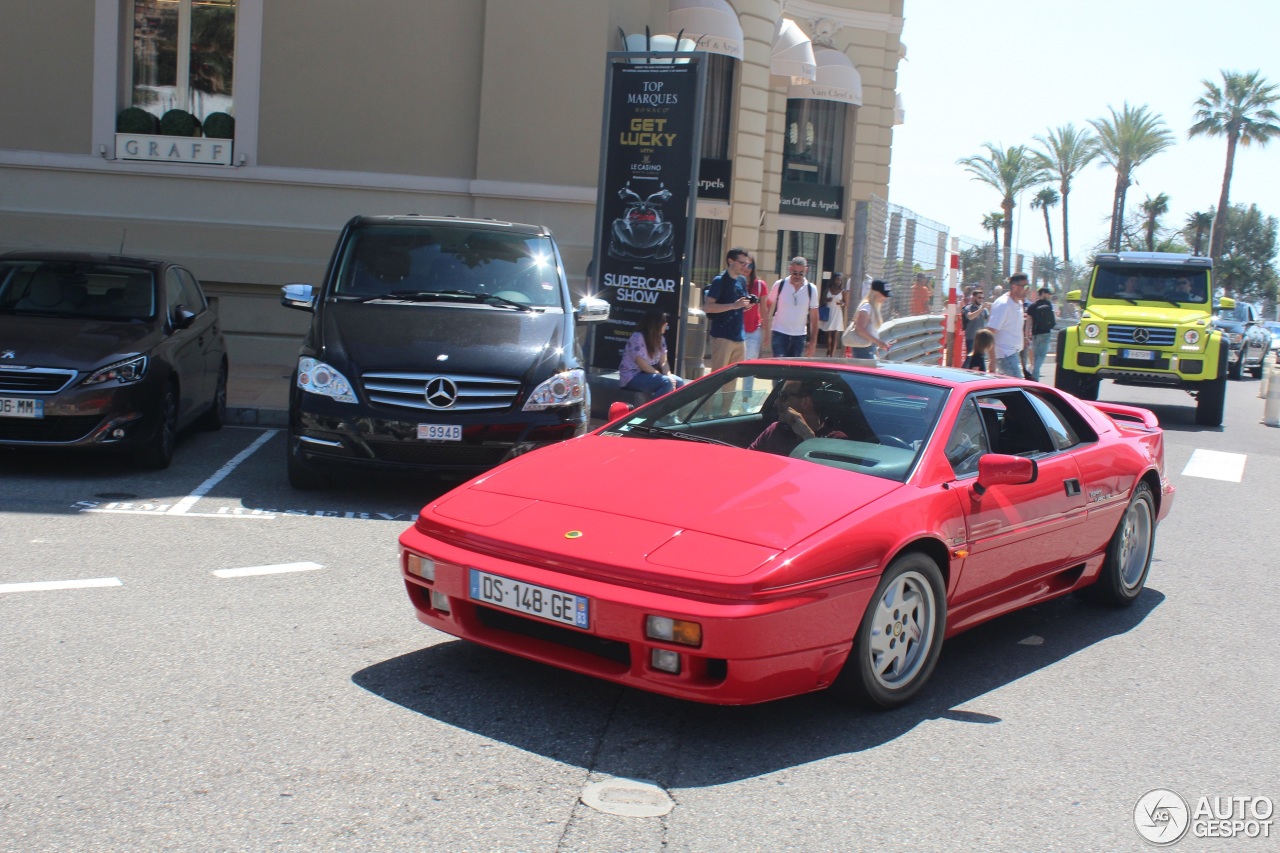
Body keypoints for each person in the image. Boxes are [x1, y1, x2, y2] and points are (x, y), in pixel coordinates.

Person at [748, 379, 847, 456]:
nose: (776, 402)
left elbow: (829, 475)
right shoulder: (775, 430)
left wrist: (808, 436)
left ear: (805, 402)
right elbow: (747, 459)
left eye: (783, 396)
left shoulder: (836, 439)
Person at [704, 247, 753, 372]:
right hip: (722, 337)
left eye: (747, 264)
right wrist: (733, 305)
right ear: (731, 261)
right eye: (742, 263)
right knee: (717, 378)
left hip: (740, 338)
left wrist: (747, 305)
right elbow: (708, 307)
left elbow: (739, 305)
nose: (745, 267)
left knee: (733, 379)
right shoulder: (720, 281)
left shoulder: (742, 280)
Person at [618, 309, 685, 398]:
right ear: (656, 324)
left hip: (649, 374)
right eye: (664, 321)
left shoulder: (661, 339)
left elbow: (664, 363)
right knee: (666, 382)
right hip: (632, 377)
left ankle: (673, 411)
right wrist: (663, 376)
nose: (666, 324)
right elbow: (644, 366)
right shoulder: (637, 337)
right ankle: (654, 411)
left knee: (679, 382)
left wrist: (669, 376)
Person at [767, 256, 820, 358]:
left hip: (799, 336)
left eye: (801, 273)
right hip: (779, 333)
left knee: (793, 369)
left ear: (806, 270)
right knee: (780, 367)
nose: (797, 276)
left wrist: (813, 342)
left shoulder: (811, 289)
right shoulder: (780, 285)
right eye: (795, 272)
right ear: (790, 269)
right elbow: (769, 303)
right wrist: (765, 322)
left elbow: (814, 316)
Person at [988, 273, 1029, 377]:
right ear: (1014, 286)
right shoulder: (1003, 304)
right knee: (1017, 388)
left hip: (1014, 353)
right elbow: (990, 332)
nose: (1027, 289)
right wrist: (992, 360)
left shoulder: (1019, 303)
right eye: (1024, 286)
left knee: (1010, 389)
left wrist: (1024, 338)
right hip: (1005, 354)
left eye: (1027, 286)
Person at [843, 278, 892, 359]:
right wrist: (879, 343)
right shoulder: (867, 307)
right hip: (863, 350)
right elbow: (859, 329)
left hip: (869, 348)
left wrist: (876, 349)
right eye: (884, 294)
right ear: (875, 293)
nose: (886, 298)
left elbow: (872, 332)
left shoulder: (873, 307)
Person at [1027, 287, 1057, 382]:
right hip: (1046, 333)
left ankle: (1035, 377)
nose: (1049, 296)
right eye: (1048, 293)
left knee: (1036, 356)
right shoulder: (1048, 305)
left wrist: (1026, 334)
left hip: (1035, 334)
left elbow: (1028, 322)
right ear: (1043, 293)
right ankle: (1035, 375)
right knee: (1041, 356)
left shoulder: (1032, 306)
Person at [820, 273, 846, 356]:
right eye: (837, 279)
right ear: (833, 280)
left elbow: (845, 303)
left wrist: (841, 303)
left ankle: (832, 355)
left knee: (835, 334)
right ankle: (829, 349)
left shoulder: (843, 291)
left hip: (837, 313)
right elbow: (822, 301)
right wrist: (826, 300)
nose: (838, 282)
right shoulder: (827, 289)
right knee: (828, 334)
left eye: (840, 280)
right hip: (828, 312)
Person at [961, 286, 990, 354]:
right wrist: (981, 309)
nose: (981, 299)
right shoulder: (968, 308)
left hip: (981, 339)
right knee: (970, 359)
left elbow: (989, 320)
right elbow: (970, 317)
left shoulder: (984, 310)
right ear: (974, 298)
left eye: (982, 298)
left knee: (980, 359)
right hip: (971, 338)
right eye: (979, 298)